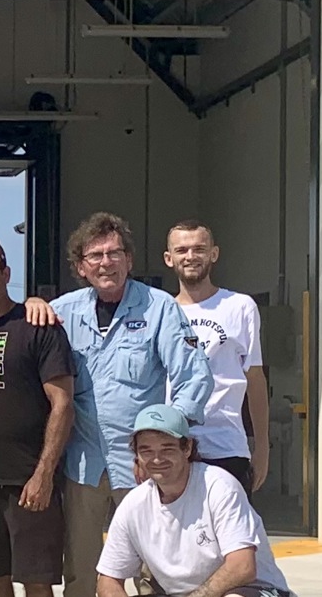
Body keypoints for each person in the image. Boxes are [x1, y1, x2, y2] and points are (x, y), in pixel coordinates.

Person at [51, 211, 213, 597]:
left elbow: (195, 376)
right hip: (83, 465)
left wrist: (166, 441)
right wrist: (33, 305)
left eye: (114, 253)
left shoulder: (160, 308)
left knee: (152, 571)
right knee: (81, 572)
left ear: (129, 260)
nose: (106, 262)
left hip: (144, 467)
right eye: (95, 255)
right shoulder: (61, 312)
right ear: (80, 266)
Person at [0, 233, 75, 597]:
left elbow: (62, 404)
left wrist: (43, 474)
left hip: (28, 480)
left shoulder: (39, 327)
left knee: (36, 584)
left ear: (5, 273)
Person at [95, 405, 294, 597]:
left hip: (255, 588)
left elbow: (242, 566)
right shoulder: (133, 505)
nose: (157, 459)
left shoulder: (220, 487)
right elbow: (108, 580)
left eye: (167, 449)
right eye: (146, 451)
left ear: (187, 448)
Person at [166, 220, 268, 494]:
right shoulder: (159, 311)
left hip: (227, 446)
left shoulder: (240, 307)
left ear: (214, 254)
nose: (190, 257)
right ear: (169, 258)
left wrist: (262, 447)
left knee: (230, 522)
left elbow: (255, 379)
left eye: (199, 249)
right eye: (181, 250)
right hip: (172, 445)